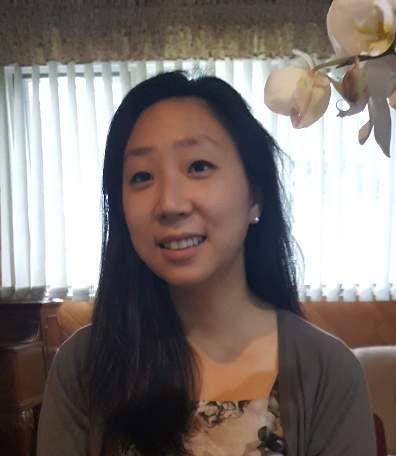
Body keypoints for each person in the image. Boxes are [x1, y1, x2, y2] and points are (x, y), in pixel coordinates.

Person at [37, 71, 377, 455]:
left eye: (198, 166)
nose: (170, 203)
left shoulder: (327, 371)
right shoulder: (83, 367)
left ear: (255, 196)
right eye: (142, 176)